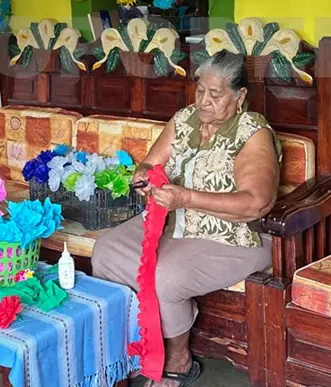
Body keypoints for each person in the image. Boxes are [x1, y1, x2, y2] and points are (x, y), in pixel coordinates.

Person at [92, 51, 281, 387]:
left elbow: (257, 204)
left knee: (166, 274)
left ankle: (179, 357)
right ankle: (140, 346)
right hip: (173, 221)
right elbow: (148, 166)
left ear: (240, 97)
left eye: (216, 94)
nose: (204, 102)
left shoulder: (252, 132)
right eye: (200, 91)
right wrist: (145, 181)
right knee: (106, 251)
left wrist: (186, 197)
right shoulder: (184, 120)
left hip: (233, 234)